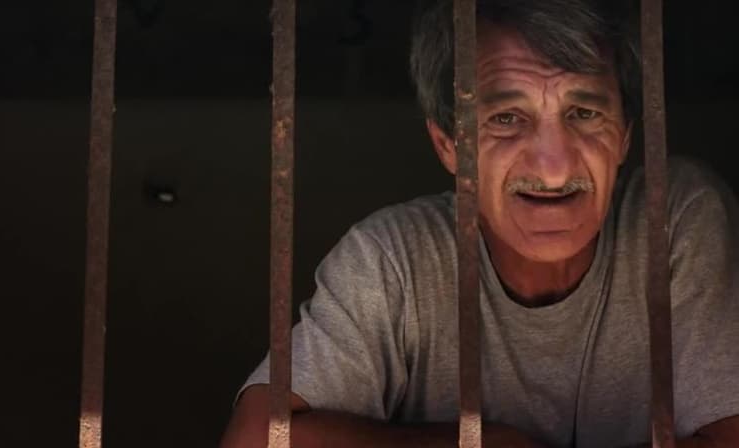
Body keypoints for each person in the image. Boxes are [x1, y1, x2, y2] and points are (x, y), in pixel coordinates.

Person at [220, 0, 739, 446]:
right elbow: (256, 437)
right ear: (448, 145)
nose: (554, 168)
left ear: (625, 135)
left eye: (584, 113)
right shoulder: (392, 261)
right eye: (506, 118)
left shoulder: (674, 219)